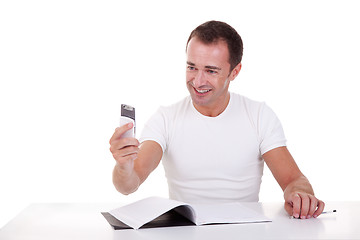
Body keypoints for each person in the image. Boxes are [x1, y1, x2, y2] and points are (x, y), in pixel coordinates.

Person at [109, 20, 325, 219]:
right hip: (185, 232)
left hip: (244, 231)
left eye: (211, 71)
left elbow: (293, 181)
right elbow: (128, 184)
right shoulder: (165, 118)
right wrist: (124, 166)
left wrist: (300, 195)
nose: (198, 81)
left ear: (235, 72)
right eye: (191, 67)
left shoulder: (259, 116)